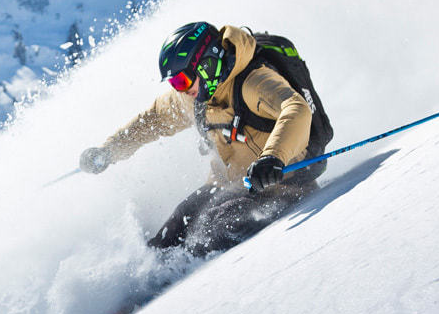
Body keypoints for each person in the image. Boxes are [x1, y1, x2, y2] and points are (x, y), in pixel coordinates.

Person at [79, 22, 327, 256]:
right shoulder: (194, 96)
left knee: (213, 229)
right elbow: (152, 120)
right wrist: (108, 151)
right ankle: (150, 283)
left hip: (280, 183)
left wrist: (273, 157)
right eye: (175, 82)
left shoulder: (253, 82)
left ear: (207, 64)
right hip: (228, 184)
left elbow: (296, 109)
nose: (181, 88)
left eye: (182, 79)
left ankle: (198, 286)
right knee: (173, 230)